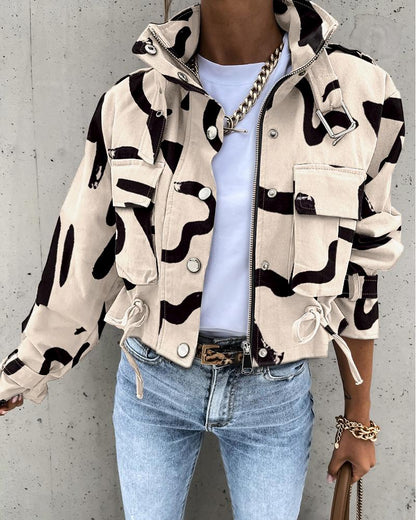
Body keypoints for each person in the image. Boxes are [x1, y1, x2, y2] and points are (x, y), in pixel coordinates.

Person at [0, 0, 406, 519]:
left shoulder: (357, 95)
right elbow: (82, 256)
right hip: (153, 383)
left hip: (274, 394)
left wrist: (358, 421)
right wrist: (25, 371)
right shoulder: (134, 104)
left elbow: (363, 272)